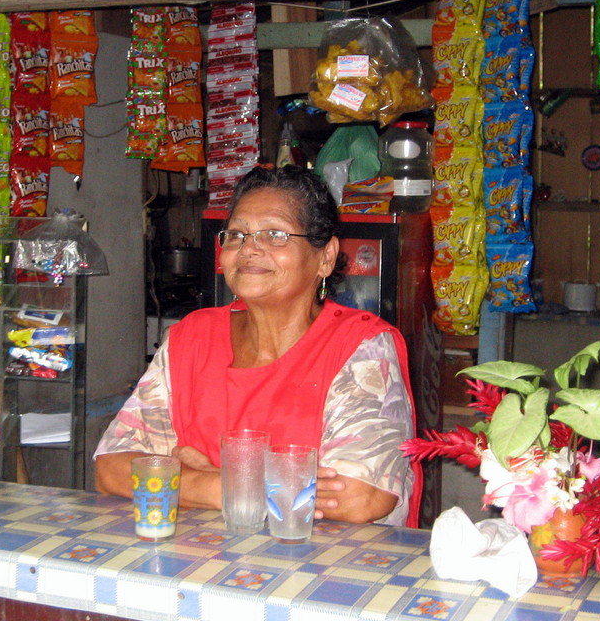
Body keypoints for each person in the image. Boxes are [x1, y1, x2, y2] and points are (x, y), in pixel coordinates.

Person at [94, 164, 417, 525]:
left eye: (275, 234)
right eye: (236, 235)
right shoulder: (192, 338)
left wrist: (187, 477)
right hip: (201, 566)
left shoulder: (362, 346)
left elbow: (359, 498)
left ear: (325, 256)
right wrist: (232, 486)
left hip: (318, 570)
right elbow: (112, 469)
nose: (248, 249)